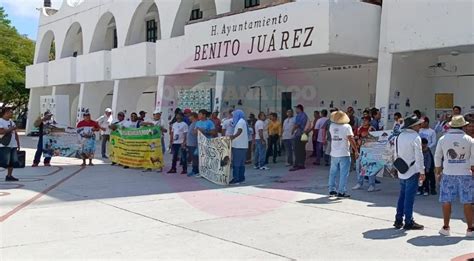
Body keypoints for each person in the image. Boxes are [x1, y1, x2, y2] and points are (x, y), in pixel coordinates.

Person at [435, 115, 473, 237]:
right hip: (465, 173)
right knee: (467, 201)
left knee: (446, 200)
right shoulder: (469, 140)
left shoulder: (443, 138)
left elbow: (437, 156)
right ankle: (470, 229)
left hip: (448, 173)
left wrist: (438, 171)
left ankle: (446, 228)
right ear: (464, 126)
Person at [393, 115, 426, 230]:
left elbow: (395, 153)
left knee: (402, 195)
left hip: (401, 169)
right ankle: (408, 221)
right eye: (418, 124)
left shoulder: (399, 136)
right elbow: (419, 156)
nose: (420, 126)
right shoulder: (415, 137)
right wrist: (422, 171)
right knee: (409, 198)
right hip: (412, 170)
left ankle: (398, 219)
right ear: (413, 126)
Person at [327, 111, 359, 198]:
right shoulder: (347, 127)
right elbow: (351, 139)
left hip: (334, 153)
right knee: (343, 173)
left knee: (333, 172)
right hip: (344, 153)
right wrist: (356, 150)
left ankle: (332, 189)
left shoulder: (332, 126)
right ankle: (341, 191)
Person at [352, 116, 377, 192]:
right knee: (359, 168)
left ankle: (372, 185)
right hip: (360, 151)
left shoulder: (372, 129)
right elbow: (354, 138)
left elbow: (375, 139)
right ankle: (359, 183)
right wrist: (356, 151)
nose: (363, 122)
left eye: (365, 120)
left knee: (370, 168)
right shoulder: (359, 129)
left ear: (369, 121)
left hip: (369, 151)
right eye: (363, 120)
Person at [229, 109, 249, 185]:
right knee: (241, 163)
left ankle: (236, 179)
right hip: (242, 145)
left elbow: (239, 130)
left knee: (236, 163)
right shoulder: (242, 121)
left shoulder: (240, 122)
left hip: (238, 146)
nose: (233, 116)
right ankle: (241, 178)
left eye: (234, 115)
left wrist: (233, 136)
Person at [0, 108, 20, 182]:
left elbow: (15, 133)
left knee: (12, 161)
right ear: (6, 113)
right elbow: (1, 131)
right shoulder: (0, 121)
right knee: (3, 162)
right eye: (11, 112)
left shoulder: (11, 122)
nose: (12, 113)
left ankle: (9, 175)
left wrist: (18, 143)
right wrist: (12, 128)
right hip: (4, 144)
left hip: (13, 143)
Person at [290, 104, 308, 171]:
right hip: (303, 134)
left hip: (299, 134)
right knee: (302, 149)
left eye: (296, 109)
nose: (295, 110)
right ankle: (301, 164)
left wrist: (292, 130)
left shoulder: (300, 115)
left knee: (297, 150)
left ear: (299, 109)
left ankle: (297, 164)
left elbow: (297, 124)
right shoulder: (304, 115)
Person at [186, 112, 199, 176]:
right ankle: (195, 170)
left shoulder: (196, 123)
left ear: (193, 116)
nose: (188, 118)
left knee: (195, 158)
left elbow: (196, 133)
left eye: (190, 116)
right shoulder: (192, 124)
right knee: (193, 158)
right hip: (190, 143)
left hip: (194, 143)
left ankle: (195, 170)